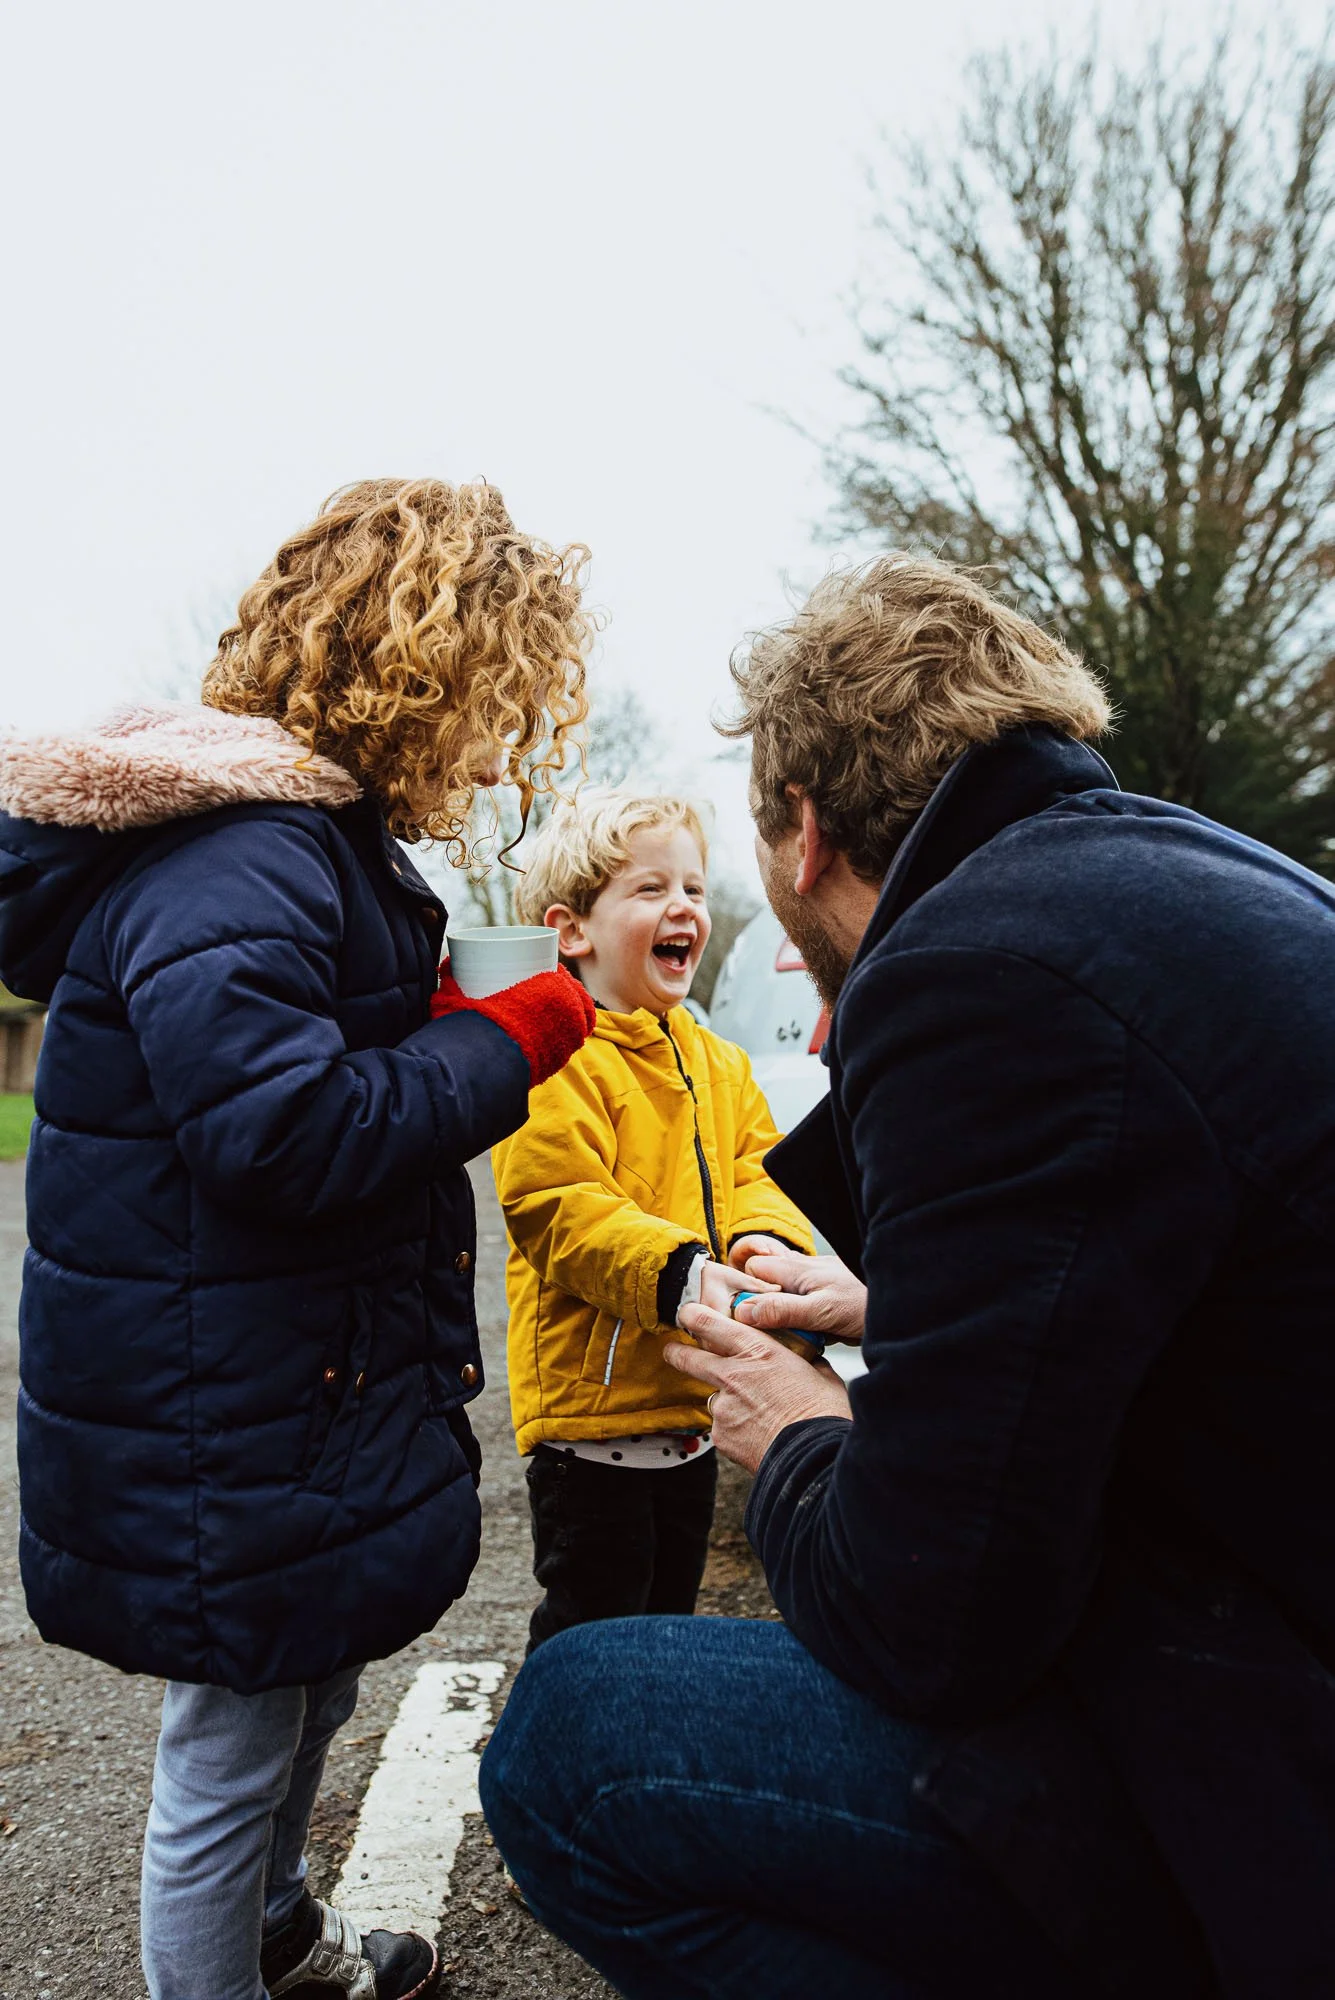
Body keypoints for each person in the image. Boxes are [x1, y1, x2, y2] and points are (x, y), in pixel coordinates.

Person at [480, 555, 1335, 1999]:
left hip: (1272, 1777)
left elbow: (929, 1621)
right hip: (1280, 1612)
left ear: (800, 833)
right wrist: (896, 1308)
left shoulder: (976, 965)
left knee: (573, 1734)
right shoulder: (1193, 876)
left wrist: (801, 1442)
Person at [0, 478, 596, 2000]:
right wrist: (504, 1043)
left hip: (274, 1387)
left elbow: (302, 1080)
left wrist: (447, 1022)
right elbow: (282, 1132)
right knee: (230, 1749)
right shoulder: (247, 857)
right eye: (495, 695)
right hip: (223, 1409)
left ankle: (279, 1936)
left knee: (309, 1686)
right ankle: (227, 1948)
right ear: (418, 666)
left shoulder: (305, 845)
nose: (497, 738)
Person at [491, 790, 814, 1650]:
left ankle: (638, 1776)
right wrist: (678, 1274)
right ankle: (549, 1774)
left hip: (692, 1411)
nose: (684, 908)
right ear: (572, 931)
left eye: (695, 890)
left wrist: (767, 1246)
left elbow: (758, 1169)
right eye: (649, 890)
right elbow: (556, 1207)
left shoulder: (718, 1061)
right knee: (590, 1630)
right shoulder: (554, 1057)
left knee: (669, 1624)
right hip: (591, 1423)